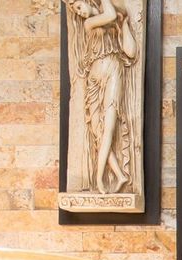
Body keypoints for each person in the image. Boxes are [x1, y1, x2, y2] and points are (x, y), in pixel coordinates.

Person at [66, 0, 138, 196]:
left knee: (109, 127)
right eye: (75, 11)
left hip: (113, 72)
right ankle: (119, 174)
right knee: (97, 130)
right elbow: (109, 14)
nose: (79, 13)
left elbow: (131, 52)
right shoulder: (89, 24)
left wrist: (124, 25)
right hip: (94, 81)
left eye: (79, 7)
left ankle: (99, 179)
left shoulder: (114, 21)